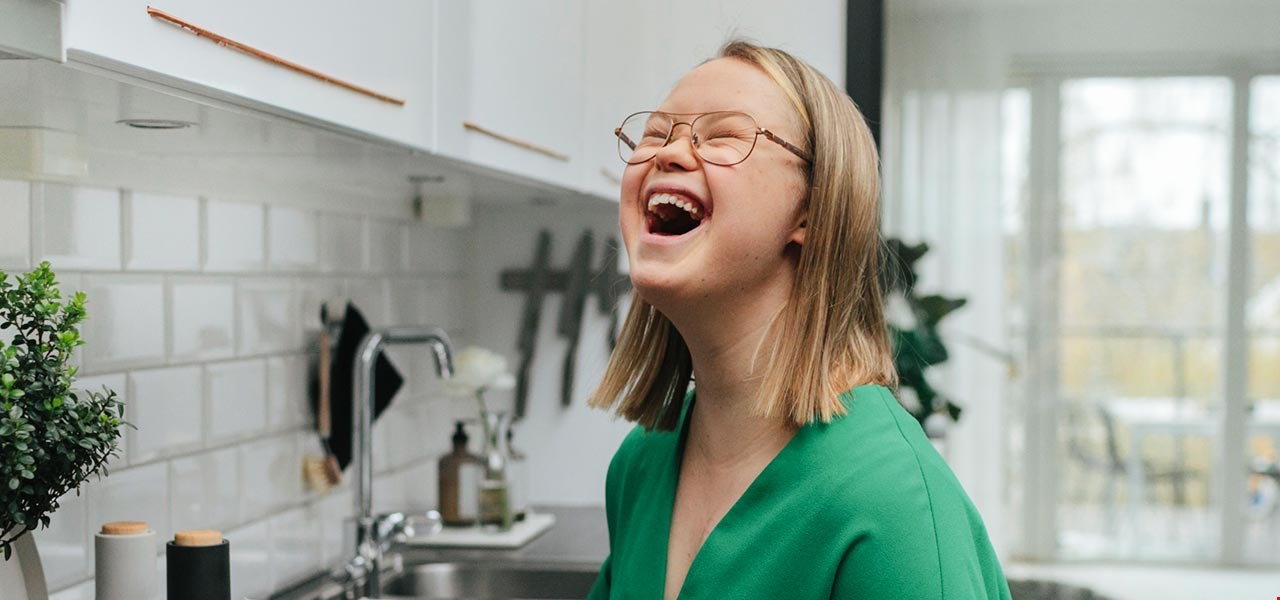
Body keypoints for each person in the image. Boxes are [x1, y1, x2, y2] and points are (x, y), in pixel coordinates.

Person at [584, 40, 1012, 600]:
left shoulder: (892, 503)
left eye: (723, 136)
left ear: (811, 209)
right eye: (655, 134)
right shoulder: (641, 465)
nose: (669, 153)